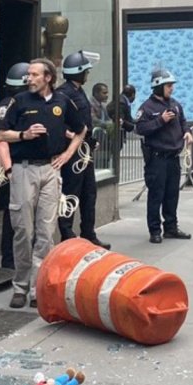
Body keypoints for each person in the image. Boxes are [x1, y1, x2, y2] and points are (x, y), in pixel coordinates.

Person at [0, 58, 85, 308]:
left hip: (50, 169)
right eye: (28, 75)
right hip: (24, 169)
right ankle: (20, 286)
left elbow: (81, 129)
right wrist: (24, 135)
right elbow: (1, 134)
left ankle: (38, 288)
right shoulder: (19, 101)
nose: (29, 79)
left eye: (35, 75)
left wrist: (68, 154)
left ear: (48, 78)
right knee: (24, 230)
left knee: (46, 232)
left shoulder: (62, 102)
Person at [54, 50, 110, 248]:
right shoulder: (63, 93)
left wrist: (90, 140)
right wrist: (71, 135)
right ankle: (67, 233)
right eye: (85, 71)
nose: (88, 74)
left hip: (84, 151)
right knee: (71, 192)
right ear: (78, 73)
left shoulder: (78, 91)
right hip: (72, 152)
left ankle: (88, 233)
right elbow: (58, 121)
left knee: (89, 193)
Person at [136, 68, 193, 244]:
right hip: (157, 159)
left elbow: (183, 122)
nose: (172, 89)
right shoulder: (147, 107)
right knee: (156, 195)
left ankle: (171, 227)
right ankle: (155, 230)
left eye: (171, 86)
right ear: (158, 86)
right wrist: (160, 120)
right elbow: (140, 129)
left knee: (172, 194)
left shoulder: (175, 104)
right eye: (168, 86)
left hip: (173, 157)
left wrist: (188, 132)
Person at [0, 61, 30, 270]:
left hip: (28, 167)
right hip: (14, 168)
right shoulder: (6, 107)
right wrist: (9, 170)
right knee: (13, 215)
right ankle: (9, 261)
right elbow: (0, 140)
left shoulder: (28, 103)